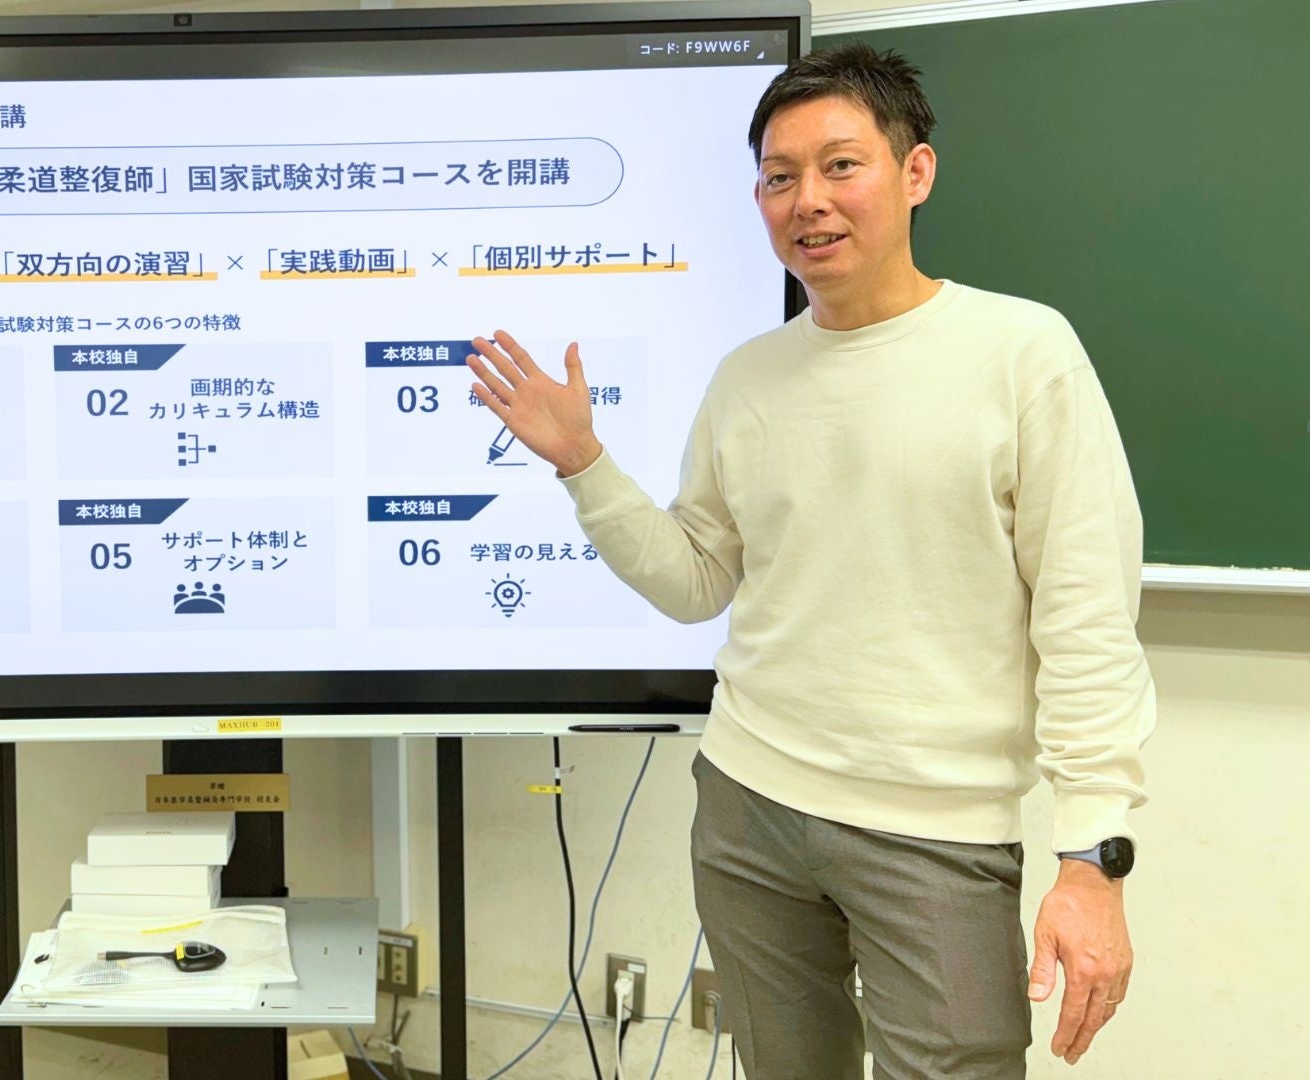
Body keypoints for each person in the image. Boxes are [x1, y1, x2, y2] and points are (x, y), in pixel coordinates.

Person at [467, 43, 1152, 1079]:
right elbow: (697, 581)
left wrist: (1092, 857)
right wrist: (583, 464)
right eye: (779, 177)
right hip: (748, 807)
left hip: (936, 830)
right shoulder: (748, 377)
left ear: (915, 172)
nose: (807, 201)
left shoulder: (1023, 353)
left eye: (840, 166)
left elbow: (1086, 616)